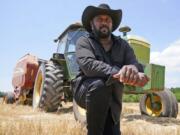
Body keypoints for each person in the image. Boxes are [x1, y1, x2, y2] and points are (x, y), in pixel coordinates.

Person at [73, 3, 149, 135]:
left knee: (113, 131)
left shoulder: (123, 45)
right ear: (92, 23)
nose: (104, 22)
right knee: (100, 86)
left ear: (112, 24)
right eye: (99, 19)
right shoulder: (84, 41)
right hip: (86, 90)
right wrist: (120, 72)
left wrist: (133, 70)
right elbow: (88, 65)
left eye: (107, 20)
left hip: (113, 97)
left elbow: (135, 64)